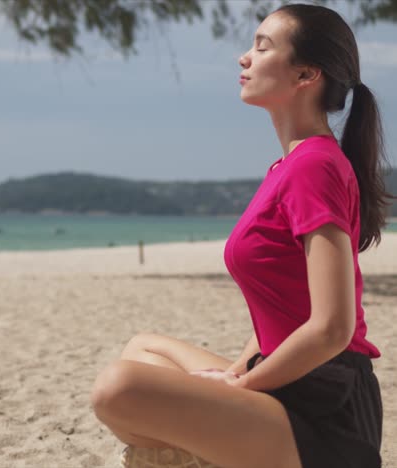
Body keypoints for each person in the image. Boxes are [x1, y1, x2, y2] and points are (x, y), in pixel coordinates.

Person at [90, 3, 395, 467]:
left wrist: (243, 386)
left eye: (262, 47)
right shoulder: (291, 166)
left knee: (119, 387)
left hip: (324, 410)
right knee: (144, 349)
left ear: (305, 75)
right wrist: (233, 371)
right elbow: (288, 308)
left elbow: (333, 328)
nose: (243, 58)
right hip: (288, 383)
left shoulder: (315, 166)